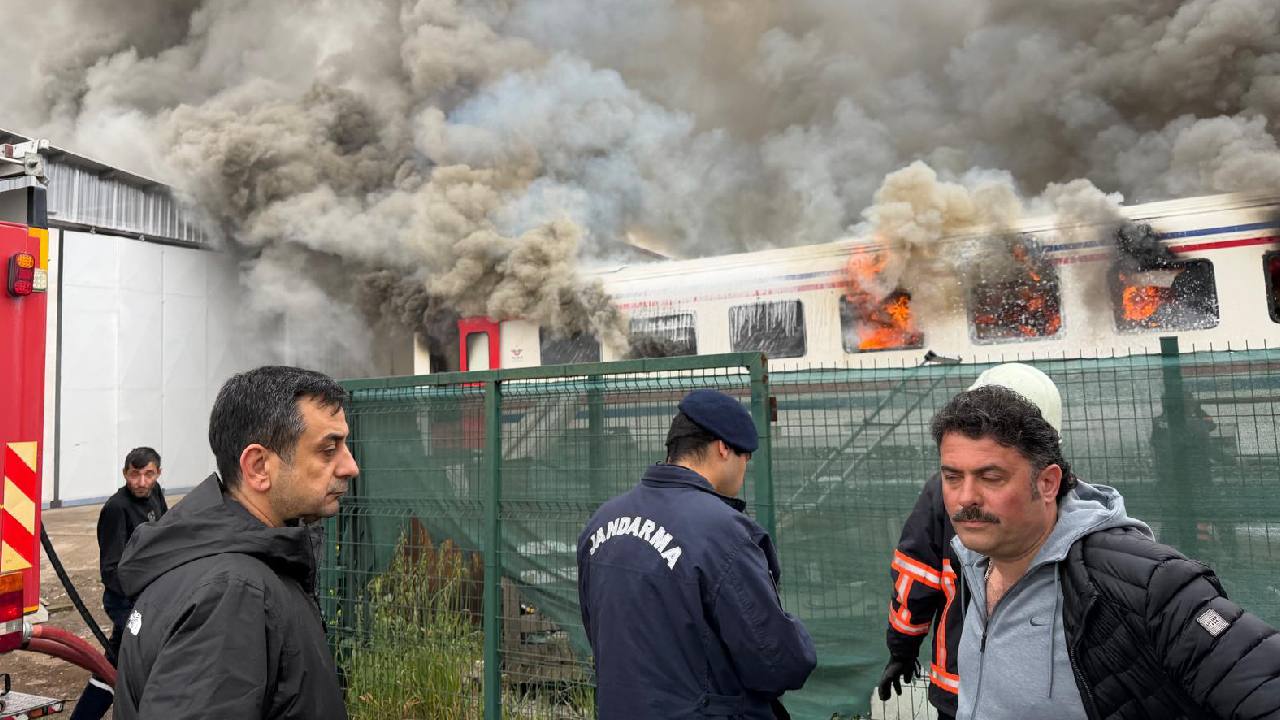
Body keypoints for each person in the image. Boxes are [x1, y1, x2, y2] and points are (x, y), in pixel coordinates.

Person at [934, 384, 1280, 720]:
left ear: (1047, 483)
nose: (966, 498)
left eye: (990, 477)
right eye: (952, 477)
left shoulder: (1148, 583)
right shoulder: (974, 563)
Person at [113, 366, 359, 719]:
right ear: (259, 466)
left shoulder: (238, 566)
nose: (350, 466)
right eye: (329, 448)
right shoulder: (232, 594)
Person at [577, 389, 816, 719]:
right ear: (723, 448)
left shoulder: (602, 522)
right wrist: (797, 639)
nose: (746, 466)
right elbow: (777, 664)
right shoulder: (724, 532)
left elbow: (598, 630)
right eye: (746, 456)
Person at [879, 363, 1063, 720]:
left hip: (961, 684)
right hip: (1040, 691)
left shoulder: (942, 492)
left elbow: (917, 577)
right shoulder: (1062, 495)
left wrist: (902, 649)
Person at [69, 447, 168, 719]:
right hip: (125, 599)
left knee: (117, 661)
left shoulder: (155, 494)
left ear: (159, 473)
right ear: (125, 473)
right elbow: (111, 570)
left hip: (148, 594)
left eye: (149, 474)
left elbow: (164, 537)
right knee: (135, 659)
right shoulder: (116, 508)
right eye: (135, 475)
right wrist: (137, 602)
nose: (141, 482)